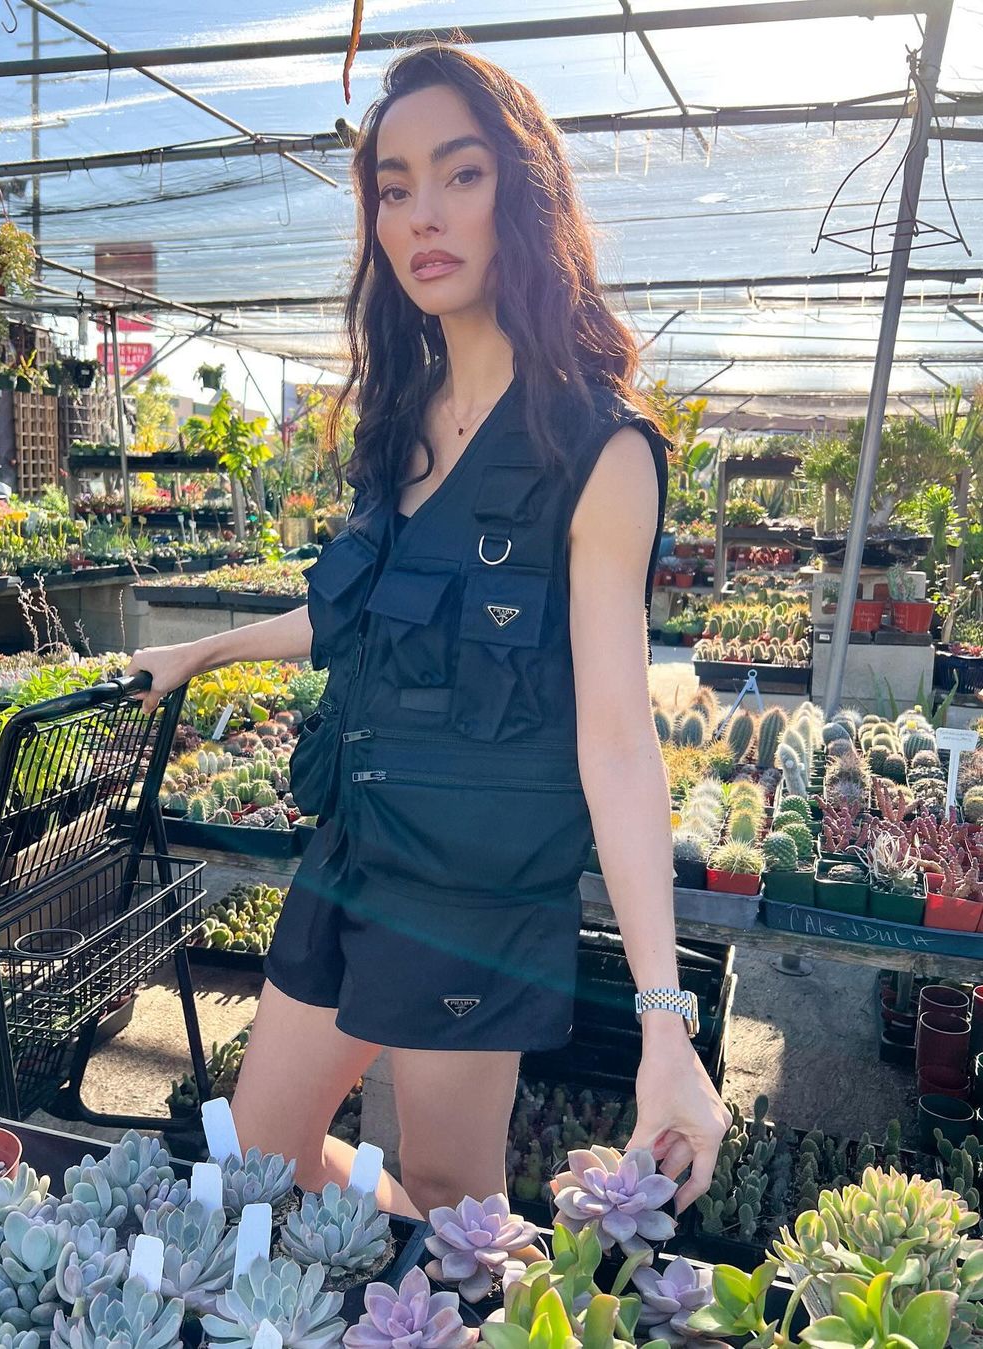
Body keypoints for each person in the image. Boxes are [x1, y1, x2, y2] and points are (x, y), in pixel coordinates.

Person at [128, 42, 730, 1221]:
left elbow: (618, 741)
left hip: (472, 885)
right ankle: (403, 1268)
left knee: (458, 1197)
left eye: (461, 174)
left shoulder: (595, 449)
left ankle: (473, 1288)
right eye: (393, 188)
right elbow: (357, 614)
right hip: (356, 846)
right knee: (264, 1154)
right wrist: (199, 652)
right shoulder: (399, 421)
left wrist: (667, 1021)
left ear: (522, 192)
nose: (423, 215)